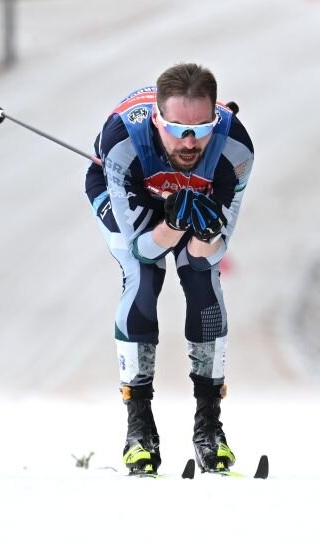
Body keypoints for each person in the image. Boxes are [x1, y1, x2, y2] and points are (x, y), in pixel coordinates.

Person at [84, 63, 254, 475]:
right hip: (132, 192)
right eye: (177, 129)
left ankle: (209, 427)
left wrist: (206, 228)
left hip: (198, 194)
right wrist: (174, 222)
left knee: (202, 282)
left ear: (217, 115)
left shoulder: (235, 149)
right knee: (143, 278)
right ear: (158, 119)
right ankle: (139, 428)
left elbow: (205, 256)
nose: (191, 141)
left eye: (202, 127)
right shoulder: (123, 143)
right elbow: (144, 249)